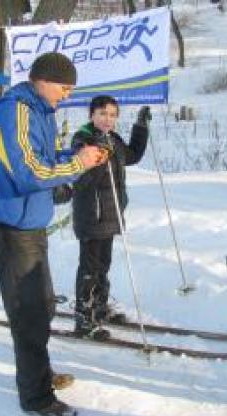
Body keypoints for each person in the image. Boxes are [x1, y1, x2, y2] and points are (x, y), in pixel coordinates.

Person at [0, 52, 107, 416]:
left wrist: (77, 155)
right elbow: (29, 172)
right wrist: (76, 166)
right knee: (29, 313)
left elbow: (44, 158)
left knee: (44, 306)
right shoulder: (15, 111)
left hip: (31, 225)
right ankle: (36, 397)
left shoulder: (42, 112)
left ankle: (38, 372)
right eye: (65, 87)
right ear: (44, 80)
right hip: (11, 229)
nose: (67, 95)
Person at [71, 95, 150, 340]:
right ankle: (84, 318)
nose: (108, 119)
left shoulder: (112, 139)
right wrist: (96, 159)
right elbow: (80, 180)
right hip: (91, 214)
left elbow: (132, 156)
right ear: (91, 115)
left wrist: (141, 127)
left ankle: (100, 307)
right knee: (90, 268)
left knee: (102, 266)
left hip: (110, 214)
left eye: (113, 115)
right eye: (103, 114)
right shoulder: (83, 139)